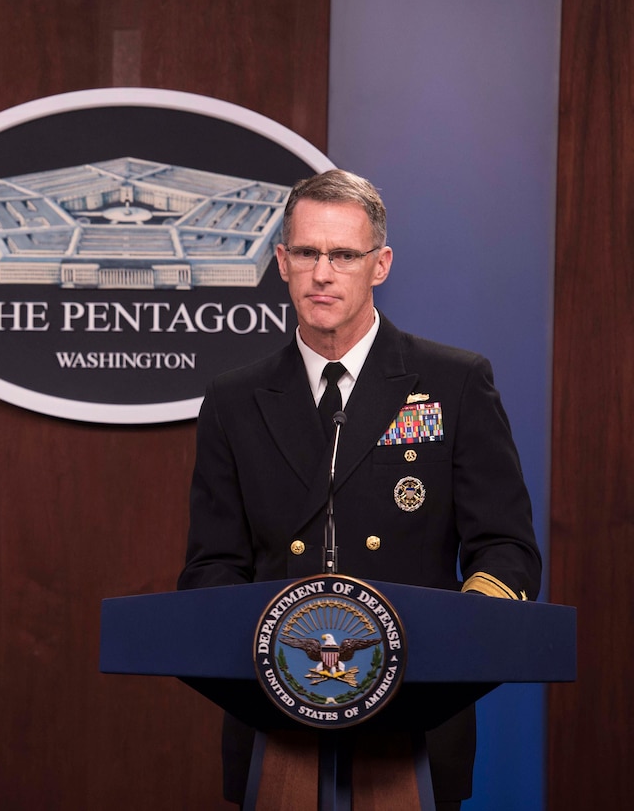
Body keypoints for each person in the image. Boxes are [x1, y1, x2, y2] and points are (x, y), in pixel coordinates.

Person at [177, 169, 541, 809]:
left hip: (416, 721)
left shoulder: (453, 384)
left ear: (380, 264)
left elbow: (506, 551)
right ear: (283, 262)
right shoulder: (234, 400)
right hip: (277, 716)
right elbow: (212, 564)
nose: (324, 273)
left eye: (344, 254)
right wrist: (264, 651)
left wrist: (449, 636)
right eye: (308, 254)